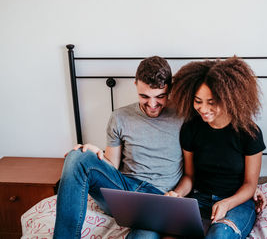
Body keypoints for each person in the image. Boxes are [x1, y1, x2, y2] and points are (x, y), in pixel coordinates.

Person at [54, 56, 184, 239]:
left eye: (160, 97)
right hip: (124, 191)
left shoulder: (183, 117)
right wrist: (95, 152)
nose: (152, 105)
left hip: (158, 198)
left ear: (169, 88)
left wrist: (176, 196)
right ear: (135, 85)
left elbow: (191, 173)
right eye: (144, 96)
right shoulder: (120, 117)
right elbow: (112, 166)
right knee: (77, 156)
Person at [167, 57, 265, 239]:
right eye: (198, 101)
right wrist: (177, 194)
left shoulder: (249, 133)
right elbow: (189, 176)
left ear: (230, 99)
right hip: (200, 199)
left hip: (238, 202)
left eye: (211, 102)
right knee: (169, 234)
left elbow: (250, 185)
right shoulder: (191, 128)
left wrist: (227, 204)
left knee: (219, 234)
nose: (203, 109)